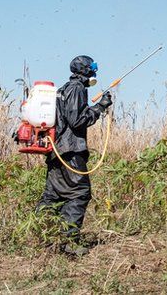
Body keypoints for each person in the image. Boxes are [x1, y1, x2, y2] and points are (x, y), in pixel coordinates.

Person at [37, 55, 113, 256]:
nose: (95, 71)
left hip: (56, 151)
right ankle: (70, 243)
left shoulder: (63, 89)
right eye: (93, 67)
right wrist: (100, 107)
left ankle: (42, 238)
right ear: (86, 70)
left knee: (53, 195)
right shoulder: (77, 89)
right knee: (79, 193)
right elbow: (77, 120)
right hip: (70, 151)